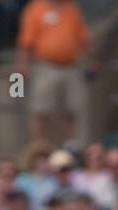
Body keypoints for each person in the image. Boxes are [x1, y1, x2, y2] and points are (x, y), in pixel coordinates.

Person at [16, 0, 94, 145]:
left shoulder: (71, 7)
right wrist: (22, 65)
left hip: (71, 66)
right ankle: (38, 146)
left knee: (73, 108)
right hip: (46, 65)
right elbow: (25, 41)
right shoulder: (36, 8)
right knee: (40, 109)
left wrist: (91, 60)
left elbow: (82, 36)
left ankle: (72, 146)